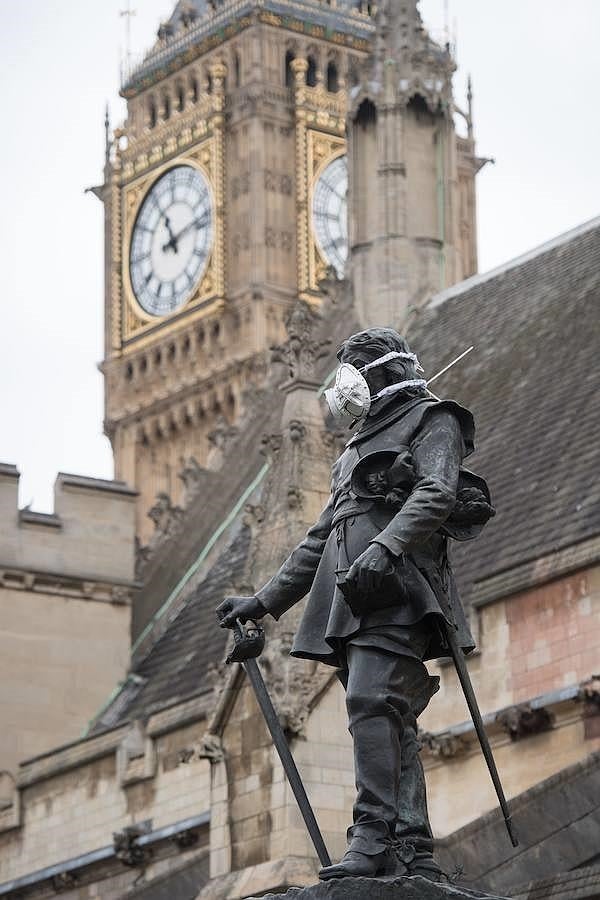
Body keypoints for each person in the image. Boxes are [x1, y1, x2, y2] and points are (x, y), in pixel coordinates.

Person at [217, 327, 493, 881]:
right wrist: (264, 603)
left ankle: (369, 840)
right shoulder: (354, 449)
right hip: (350, 597)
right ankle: (411, 846)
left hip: (400, 589)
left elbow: (436, 492)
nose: (345, 386)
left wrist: (385, 548)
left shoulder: (432, 419)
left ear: (384, 372)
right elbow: (320, 537)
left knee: (369, 700)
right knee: (390, 713)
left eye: (354, 370)